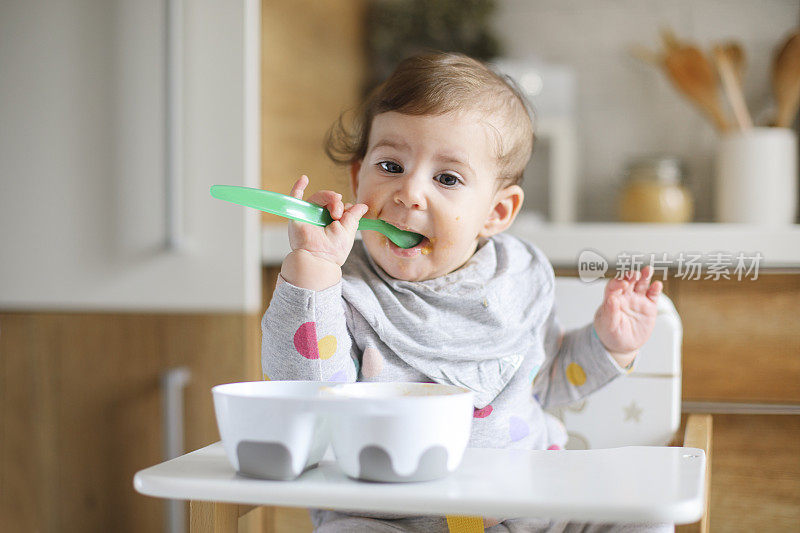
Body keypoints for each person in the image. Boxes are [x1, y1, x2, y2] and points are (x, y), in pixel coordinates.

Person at [261, 52, 669, 533]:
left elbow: (545, 381)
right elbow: (310, 393)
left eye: (447, 178)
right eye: (390, 165)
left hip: (527, 507)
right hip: (392, 516)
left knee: (643, 519)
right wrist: (313, 269)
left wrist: (608, 344)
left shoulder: (519, 275)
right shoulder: (339, 286)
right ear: (357, 178)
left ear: (497, 212)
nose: (410, 192)